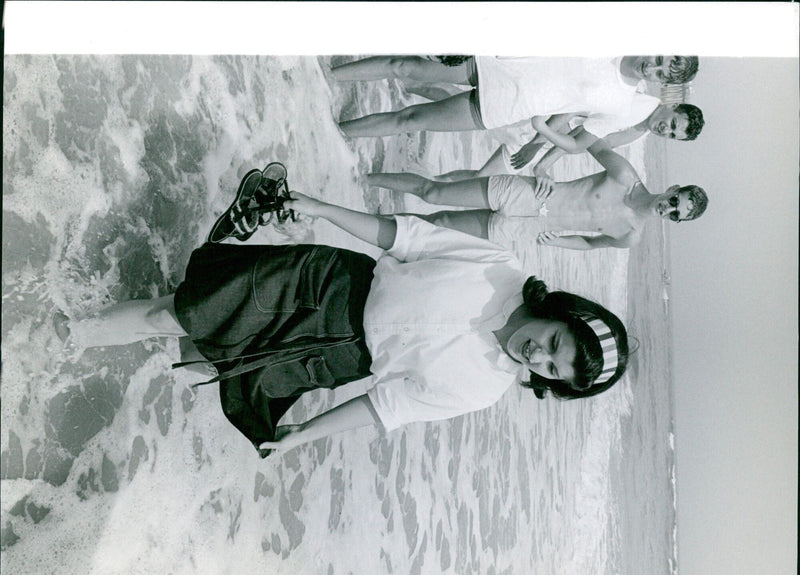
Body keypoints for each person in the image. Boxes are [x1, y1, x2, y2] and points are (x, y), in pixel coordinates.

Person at [56, 183, 630, 458]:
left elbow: (387, 407)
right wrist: (320, 209)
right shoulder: (500, 267)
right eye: (555, 341)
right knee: (181, 313)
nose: (540, 356)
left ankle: (219, 253)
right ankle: (67, 335)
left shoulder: (483, 388)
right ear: (560, 314)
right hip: (330, 283)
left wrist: (303, 434)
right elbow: (406, 238)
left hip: (334, 358)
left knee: (202, 357)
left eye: (554, 369)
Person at [367, 137, 709, 251]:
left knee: (437, 224)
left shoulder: (631, 235)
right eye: (676, 201)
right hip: (528, 195)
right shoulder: (625, 176)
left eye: (677, 214)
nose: (670, 209)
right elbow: (586, 137)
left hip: (527, 230)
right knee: (433, 192)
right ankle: (362, 176)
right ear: (673, 189)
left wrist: (556, 241)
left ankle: (364, 221)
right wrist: (544, 167)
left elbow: (590, 244)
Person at [334, 55, 699, 144]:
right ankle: (322, 78)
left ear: (664, 83)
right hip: (496, 65)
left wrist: (539, 136)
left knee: (410, 120)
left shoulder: (620, 105)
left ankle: (331, 133)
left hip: (508, 107)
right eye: (662, 58)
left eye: (663, 73)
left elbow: (572, 132)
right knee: (403, 65)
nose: (654, 66)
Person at [433, 103, 705, 182]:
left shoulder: (641, 131)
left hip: (541, 135)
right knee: (468, 113)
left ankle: (427, 181)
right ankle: (408, 87)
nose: (665, 131)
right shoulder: (635, 105)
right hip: (537, 120)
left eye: (671, 135)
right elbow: (573, 107)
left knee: (482, 179)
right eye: (671, 124)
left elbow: (581, 139)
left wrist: (543, 166)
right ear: (672, 106)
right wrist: (537, 144)